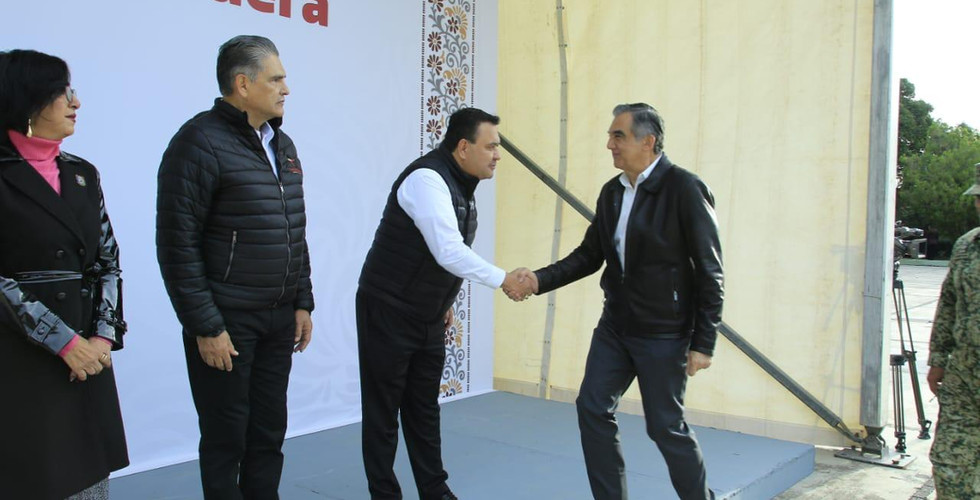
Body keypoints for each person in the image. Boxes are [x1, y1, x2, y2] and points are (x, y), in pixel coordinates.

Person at [520, 103, 723, 500]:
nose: (609, 144)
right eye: (610, 136)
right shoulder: (612, 193)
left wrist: (704, 342)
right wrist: (538, 280)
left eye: (618, 136)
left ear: (648, 142)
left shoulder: (685, 189)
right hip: (615, 328)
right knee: (592, 407)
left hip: (664, 333)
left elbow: (710, 271)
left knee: (665, 426)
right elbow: (589, 255)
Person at [156, 35, 314, 499]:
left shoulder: (282, 144)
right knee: (227, 437)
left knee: (268, 432)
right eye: (276, 79)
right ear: (243, 85)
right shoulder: (198, 142)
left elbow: (293, 227)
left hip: (278, 318)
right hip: (226, 321)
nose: (286, 89)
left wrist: (302, 300)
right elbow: (177, 245)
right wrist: (205, 326)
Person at [357, 107, 532, 500]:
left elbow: (438, 254)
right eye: (491, 147)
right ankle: (384, 494)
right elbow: (448, 250)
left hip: (428, 313)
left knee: (423, 408)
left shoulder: (464, 186)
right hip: (387, 308)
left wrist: (443, 299)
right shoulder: (426, 179)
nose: (497, 156)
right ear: (464, 147)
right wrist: (504, 279)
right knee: (383, 411)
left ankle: (435, 491)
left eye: (498, 148)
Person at [0, 49, 128, 500]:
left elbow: (108, 260)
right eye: (62, 92)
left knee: (88, 480)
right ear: (28, 99)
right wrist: (64, 342)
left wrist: (102, 337)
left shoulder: (81, 173)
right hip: (21, 361)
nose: (76, 102)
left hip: (88, 360)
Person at [926, 162, 980, 499]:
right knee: (949, 463)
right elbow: (948, 304)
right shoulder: (966, 246)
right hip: (963, 380)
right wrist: (938, 359)